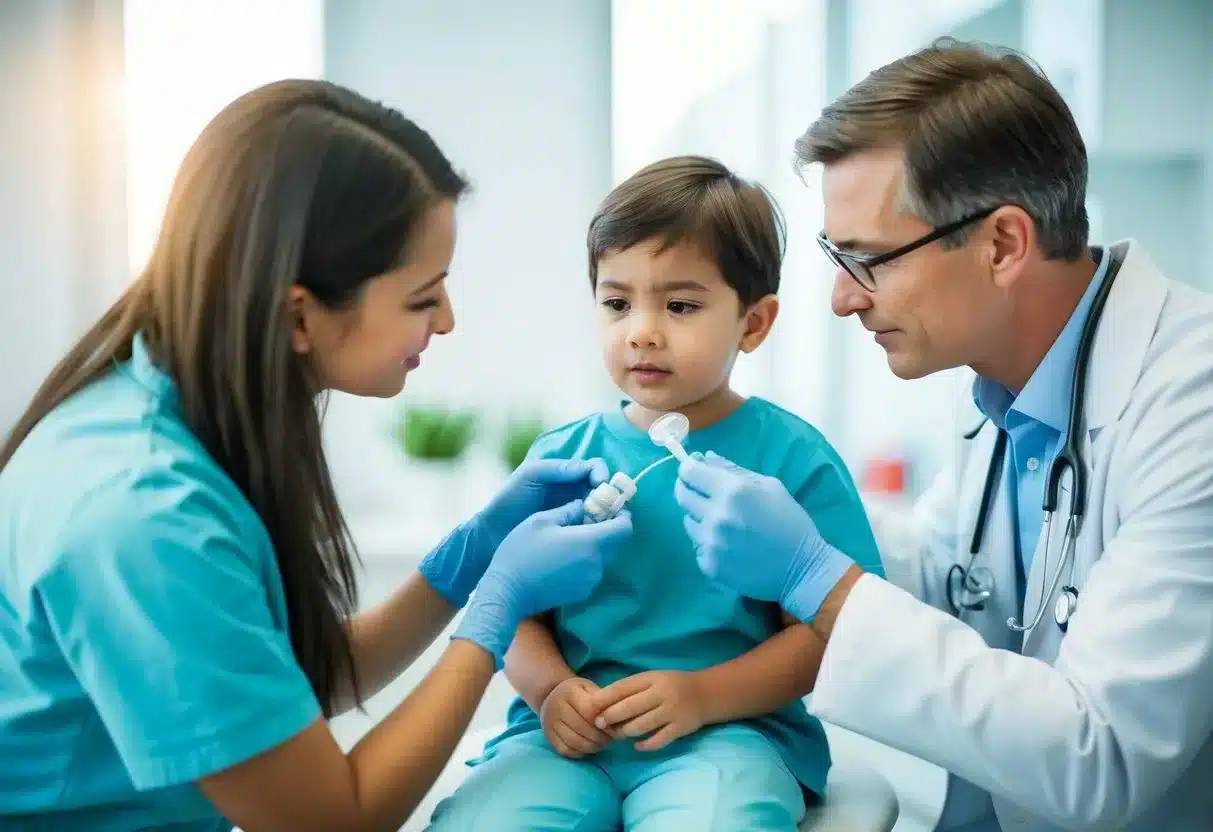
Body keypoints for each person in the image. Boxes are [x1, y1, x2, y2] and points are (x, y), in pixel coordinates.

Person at [0, 79, 634, 832]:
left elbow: (289, 686)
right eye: (422, 297)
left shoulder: (170, 417)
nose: (447, 321)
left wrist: (469, 557)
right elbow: (331, 820)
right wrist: (495, 613)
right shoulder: (142, 513)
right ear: (298, 315)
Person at [671, 38, 1213, 831]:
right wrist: (800, 505)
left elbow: (1098, 757)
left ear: (1001, 244)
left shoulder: (1190, 404)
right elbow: (951, 573)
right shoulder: (994, 387)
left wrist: (813, 575)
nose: (842, 300)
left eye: (869, 260)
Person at [425, 156, 884, 831]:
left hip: (728, 736)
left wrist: (702, 696)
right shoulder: (560, 459)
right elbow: (513, 611)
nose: (640, 330)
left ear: (754, 323)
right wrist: (551, 693)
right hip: (564, 741)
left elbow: (828, 634)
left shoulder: (794, 460)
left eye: (680, 305)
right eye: (617, 303)